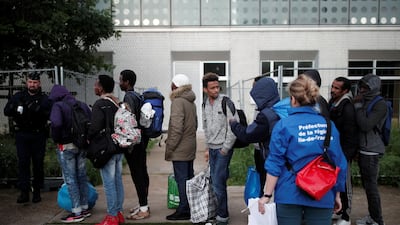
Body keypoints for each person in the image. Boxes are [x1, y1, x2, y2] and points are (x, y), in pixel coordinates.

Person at [258, 74, 347, 225]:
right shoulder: (329, 125)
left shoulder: (283, 125)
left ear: (292, 99)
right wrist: (337, 193)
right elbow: (339, 163)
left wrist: (267, 194)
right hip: (323, 192)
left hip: (289, 192)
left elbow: (275, 163)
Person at [4, 72, 52, 204]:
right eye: (30, 82)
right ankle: (24, 192)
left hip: (38, 134)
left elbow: (50, 114)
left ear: (39, 84)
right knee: (23, 163)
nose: (32, 85)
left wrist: (39, 110)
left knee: (38, 163)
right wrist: (15, 107)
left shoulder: (44, 99)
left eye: (35, 82)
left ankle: (36, 192)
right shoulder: (19, 96)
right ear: (27, 83)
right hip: (22, 134)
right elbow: (6, 111)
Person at [229, 76, 280, 196]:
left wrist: (234, 124)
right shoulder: (281, 107)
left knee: (268, 190)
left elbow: (248, 135)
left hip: (270, 158)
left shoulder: (266, 115)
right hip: (284, 159)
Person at [48, 85, 92, 223]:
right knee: (81, 176)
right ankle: (85, 208)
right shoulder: (82, 105)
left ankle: (76, 211)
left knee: (71, 179)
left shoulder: (58, 106)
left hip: (66, 146)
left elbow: (56, 124)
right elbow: (91, 121)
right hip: (82, 145)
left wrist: (56, 138)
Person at [88, 75, 125, 225]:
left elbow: (95, 127)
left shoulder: (100, 104)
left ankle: (111, 217)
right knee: (117, 181)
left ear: (101, 87)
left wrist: (89, 135)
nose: (94, 87)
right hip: (118, 147)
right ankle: (118, 213)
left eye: (96, 84)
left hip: (106, 149)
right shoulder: (116, 103)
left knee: (109, 183)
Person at [202, 72, 238, 225]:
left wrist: (225, 148)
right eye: (212, 88)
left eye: (218, 87)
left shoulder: (226, 102)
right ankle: (219, 213)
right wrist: (206, 148)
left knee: (217, 182)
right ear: (205, 89)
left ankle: (222, 217)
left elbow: (234, 127)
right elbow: (205, 127)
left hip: (223, 150)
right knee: (217, 182)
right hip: (212, 149)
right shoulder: (204, 104)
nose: (216, 90)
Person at [353, 74, 387, 225]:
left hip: (371, 151)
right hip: (363, 150)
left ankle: (377, 220)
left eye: (365, 87)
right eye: (361, 86)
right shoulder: (366, 101)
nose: (361, 90)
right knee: (368, 186)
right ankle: (372, 217)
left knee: (371, 187)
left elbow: (365, 125)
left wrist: (358, 106)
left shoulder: (380, 105)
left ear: (373, 88)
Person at [118, 69, 151, 220]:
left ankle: (144, 208)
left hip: (134, 143)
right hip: (142, 139)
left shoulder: (128, 97)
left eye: (121, 80)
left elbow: (128, 121)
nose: (119, 82)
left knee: (137, 174)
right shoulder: (138, 95)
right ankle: (143, 203)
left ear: (127, 82)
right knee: (142, 173)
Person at [165, 74, 197, 220]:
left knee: (182, 179)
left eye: (172, 84)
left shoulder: (178, 101)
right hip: (190, 145)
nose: (170, 86)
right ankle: (190, 207)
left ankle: (184, 210)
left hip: (180, 148)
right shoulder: (191, 102)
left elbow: (177, 128)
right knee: (189, 178)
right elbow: (195, 124)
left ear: (176, 86)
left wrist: (170, 146)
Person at [328, 77, 359, 225]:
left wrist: (346, 156)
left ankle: (346, 215)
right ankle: (338, 210)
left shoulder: (347, 107)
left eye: (337, 88)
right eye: (332, 87)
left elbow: (351, 134)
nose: (333, 90)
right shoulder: (333, 103)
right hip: (333, 152)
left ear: (345, 91)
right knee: (334, 184)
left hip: (343, 153)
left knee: (345, 185)